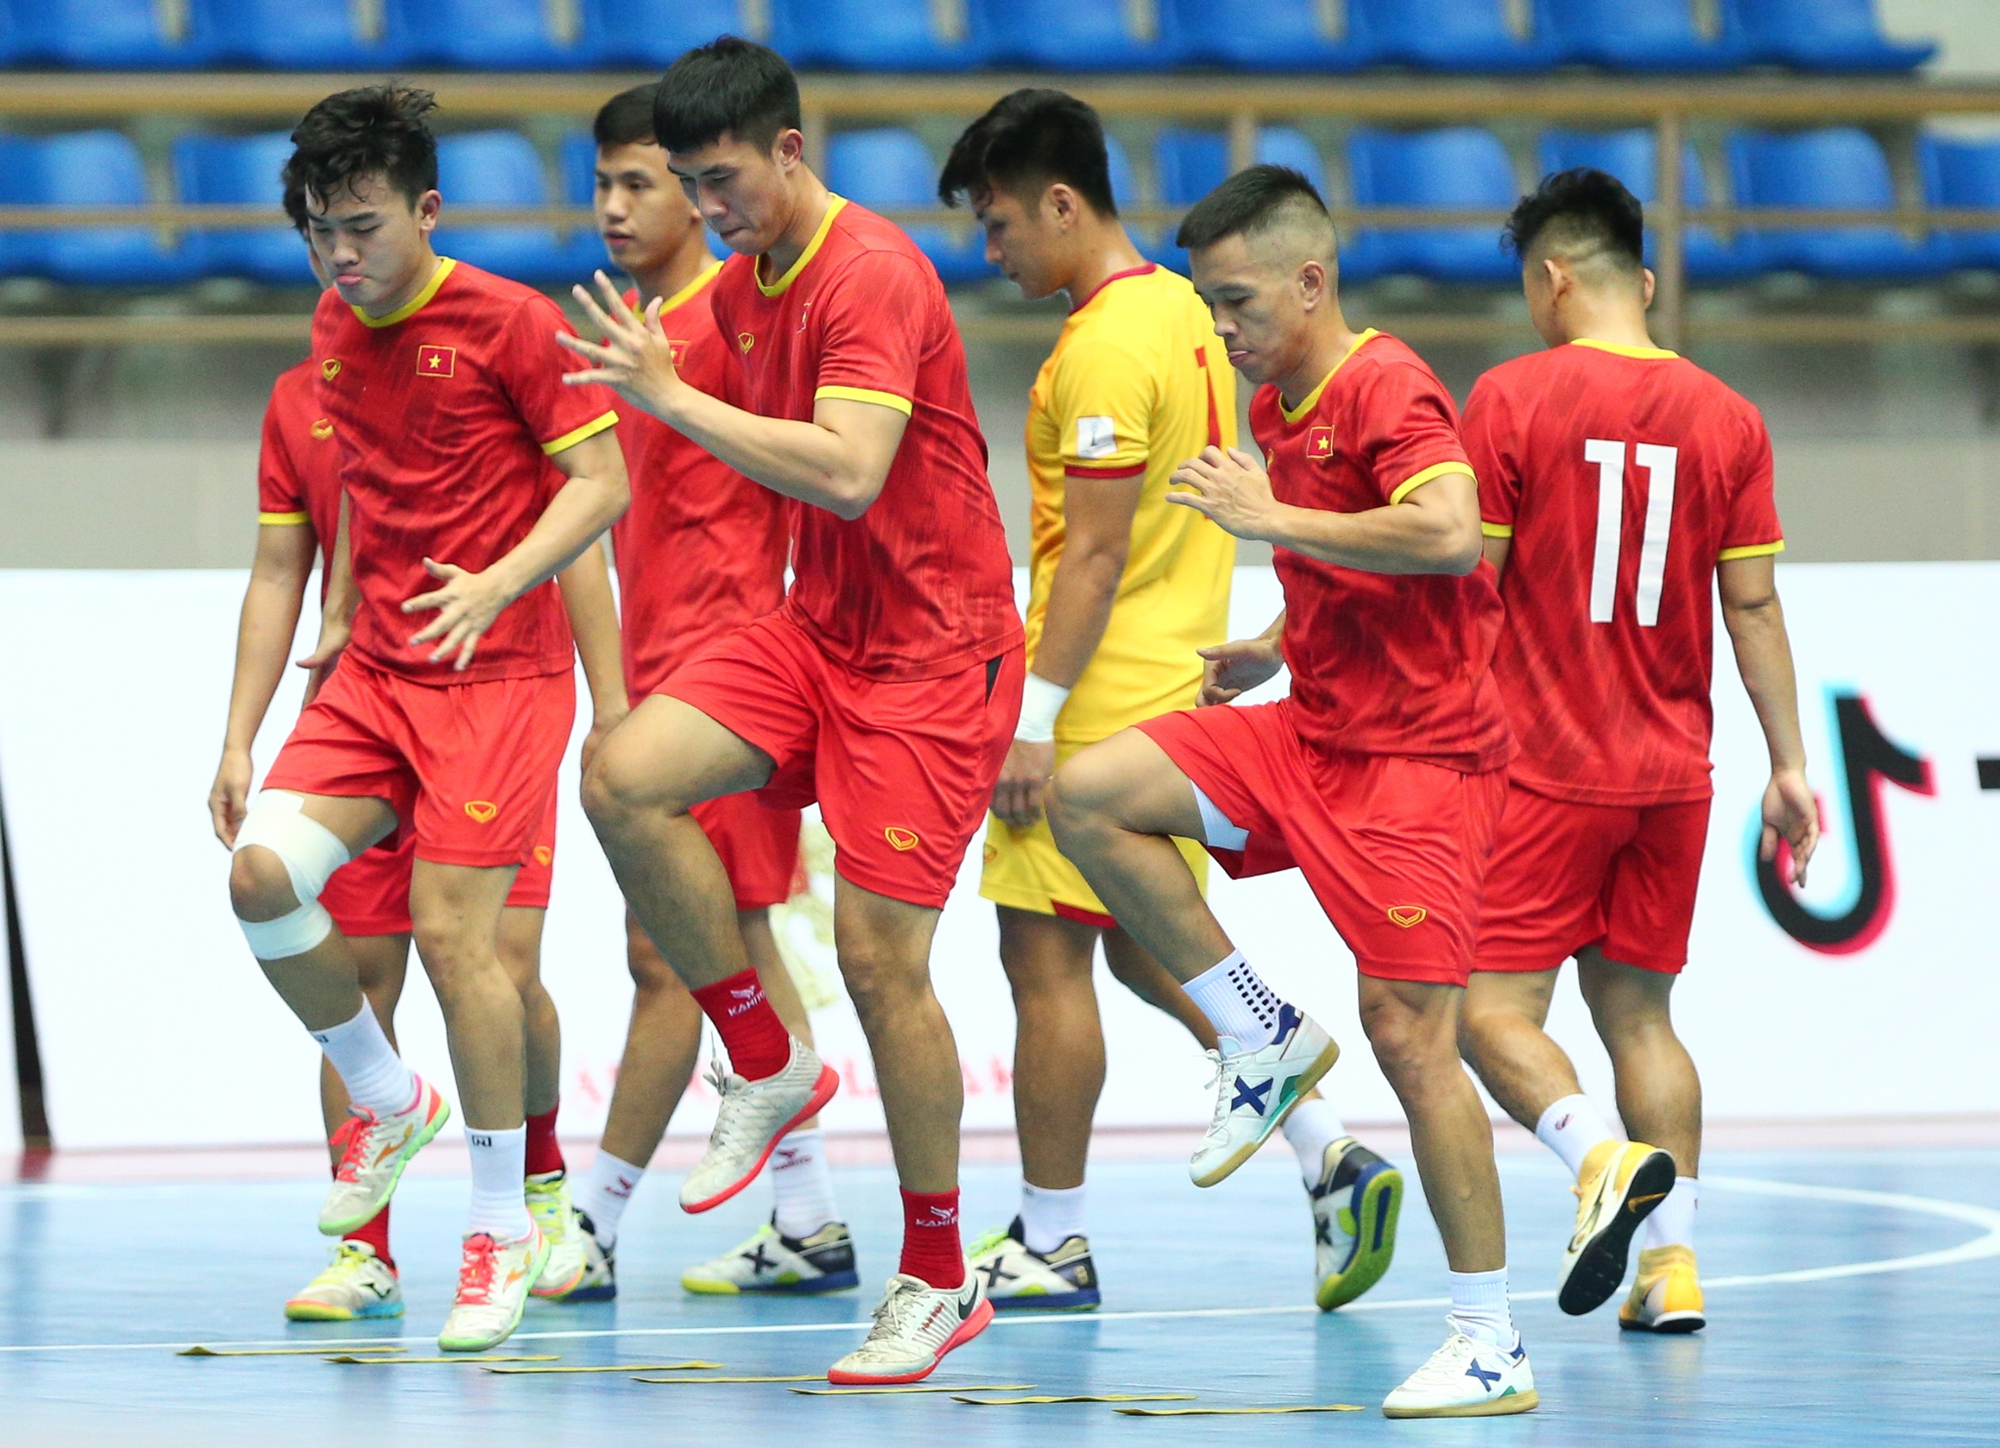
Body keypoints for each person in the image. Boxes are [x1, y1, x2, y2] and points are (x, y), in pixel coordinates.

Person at [561, 38, 1023, 1386]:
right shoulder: (737, 284)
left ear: (789, 154)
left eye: (724, 182)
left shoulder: (869, 273)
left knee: (884, 966)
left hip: (936, 656)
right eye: (690, 188)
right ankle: (765, 1056)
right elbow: (631, 389)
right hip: (818, 631)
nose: (711, 211)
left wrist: (674, 396)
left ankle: (936, 1276)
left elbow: (849, 470)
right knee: (623, 775)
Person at [1046, 165, 1537, 1419]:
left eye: (1236, 301)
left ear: (1310, 279)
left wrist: (1274, 523)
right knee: (1087, 791)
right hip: (1308, 728)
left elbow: (1441, 531)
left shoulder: (1384, 380)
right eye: (1208, 306)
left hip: (1419, 764)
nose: (1222, 328)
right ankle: (1255, 1030)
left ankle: (1488, 1338)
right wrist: (1274, 631)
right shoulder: (1275, 394)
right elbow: (1346, 548)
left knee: (1412, 1042)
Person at [937, 89, 1401, 1315]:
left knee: (1039, 960)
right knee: (1149, 953)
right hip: (1172, 660)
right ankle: (1329, 1153)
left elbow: (1087, 556)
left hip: (1096, 683)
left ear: (1059, 202)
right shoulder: (1196, 317)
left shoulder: (1099, 344)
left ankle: (1051, 1237)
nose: (989, 254)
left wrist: (1033, 718)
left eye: (997, 226)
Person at [224, 85, 628, 1353]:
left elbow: (601, 484)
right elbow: (349, 517)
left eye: (361, 226)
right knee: (261, 875)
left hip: (497, 676)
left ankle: (504, 1227)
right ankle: (388, 1094)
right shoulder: (332, 328)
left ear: (426, 208)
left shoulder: (510, 322)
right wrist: (243, 729)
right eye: (316, 233)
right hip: (377, 676)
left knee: (466, 949)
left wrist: (504, 581)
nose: (340, 255)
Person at [1456, 168, 1818, 1335]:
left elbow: (1470, 590)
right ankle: (1671, 1272)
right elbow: (1751, 609)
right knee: (1642, 1020)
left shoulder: (1508, 398)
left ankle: (1597, 1157)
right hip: (1670, 775)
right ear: (1643, 281)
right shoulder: (1728, 416)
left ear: (1551, 277)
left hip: (1538, 770)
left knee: (1484, 1012)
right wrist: (1789, 765)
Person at [558, 82, 852, 1303]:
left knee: (670, 956)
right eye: (605, 182)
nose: (616, 206)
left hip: (734, 681)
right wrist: (613, 688)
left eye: (644, 182)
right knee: (727, 942)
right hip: (663, 678)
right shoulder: (625, 329)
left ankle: (591, 1223)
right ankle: (811, 1219)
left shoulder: (737, 325)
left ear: (699, 186)